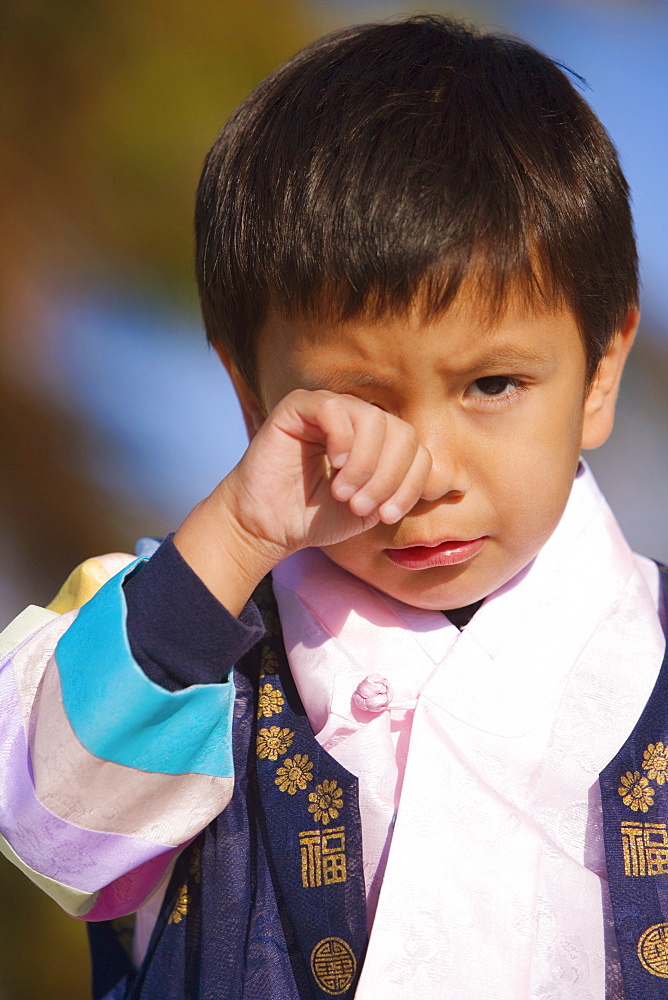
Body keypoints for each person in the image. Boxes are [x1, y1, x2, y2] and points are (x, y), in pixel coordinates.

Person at [0, 14, 665, 1000]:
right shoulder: (177, 633)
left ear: (601, 371)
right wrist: (232, 535)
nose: (429, 468)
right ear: (251, 394)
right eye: (357, 400)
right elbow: (43, 814)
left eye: (491, 384)